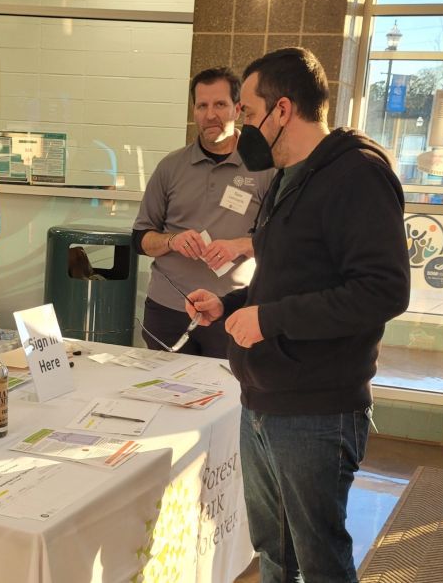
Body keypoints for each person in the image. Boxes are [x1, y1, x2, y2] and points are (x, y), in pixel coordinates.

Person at [186, 48, 410, 582]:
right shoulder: (287, 176)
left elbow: (383, 291)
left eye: (246, 111)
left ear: (282, 109)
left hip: (317, 409)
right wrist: (230, 305)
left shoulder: (357, 175)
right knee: (273, 550)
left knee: (319, 558)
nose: (240, 125)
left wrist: (269, 320)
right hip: (261, 399)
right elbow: (287, 278)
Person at [132, 66, 273, 358]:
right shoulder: (170, 167)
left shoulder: (265, 169)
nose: (210, 115)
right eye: (202, 106)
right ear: (194, 111)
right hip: (168, 310)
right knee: (162, 386)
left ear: (237, 109)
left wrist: (239, 246)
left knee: (228, 387)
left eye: (220, 104)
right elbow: (140, 239)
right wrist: (172, 241)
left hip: (232, 311)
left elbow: (281, 243)